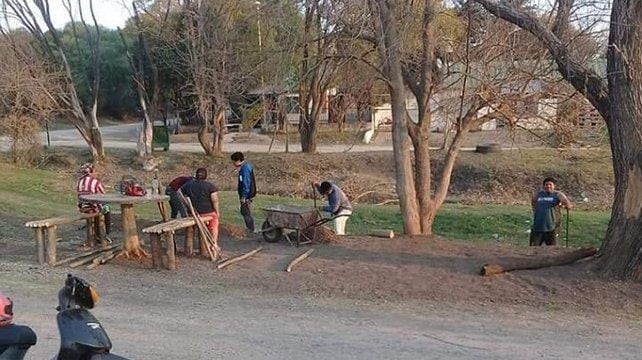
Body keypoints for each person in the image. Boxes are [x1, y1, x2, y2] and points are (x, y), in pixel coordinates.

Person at [180, 167, 219, 246]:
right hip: (208, 213)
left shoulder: (188, 185)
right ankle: (214, 243)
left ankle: (190, 246)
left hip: (193, 213)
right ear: (206, 176)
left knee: (193, 227)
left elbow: (179, 192)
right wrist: (217, 212)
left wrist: (186, 204)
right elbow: (215, 200)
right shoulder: (210, 186)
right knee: (214, 223)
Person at [530, 177, 572, 246]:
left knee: (552, 250)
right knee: (533, 249)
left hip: (551, 227)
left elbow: (569, 205)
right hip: (537, 227)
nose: (548, 186)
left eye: (550, 184)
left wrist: (564, 205)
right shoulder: (538, 194)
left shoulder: (558, 194)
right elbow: (533, 202)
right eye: (546, 185)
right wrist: (535, 211)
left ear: (554, 186)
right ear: (544, 186)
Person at [76, 163, 110, 235]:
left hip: (82, 207)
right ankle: (105, 233)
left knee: (99, 207)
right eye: (95, 171)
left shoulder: (80, 181)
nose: (96, 173)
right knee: (106, 208)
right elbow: (103, 195)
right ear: (91, 172)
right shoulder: (95, 182)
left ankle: (95, 233)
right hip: (92, 208)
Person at [231, 152, 256, 235]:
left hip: (247, 195)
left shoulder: (245, 169)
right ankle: (249, 229)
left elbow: (246, 184)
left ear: (238, 160)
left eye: (234, 162)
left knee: (246, 212)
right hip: (248, 194)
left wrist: (243, 196)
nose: (233, 164)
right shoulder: (245, 167)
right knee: (244, 211)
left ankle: (250, 230)